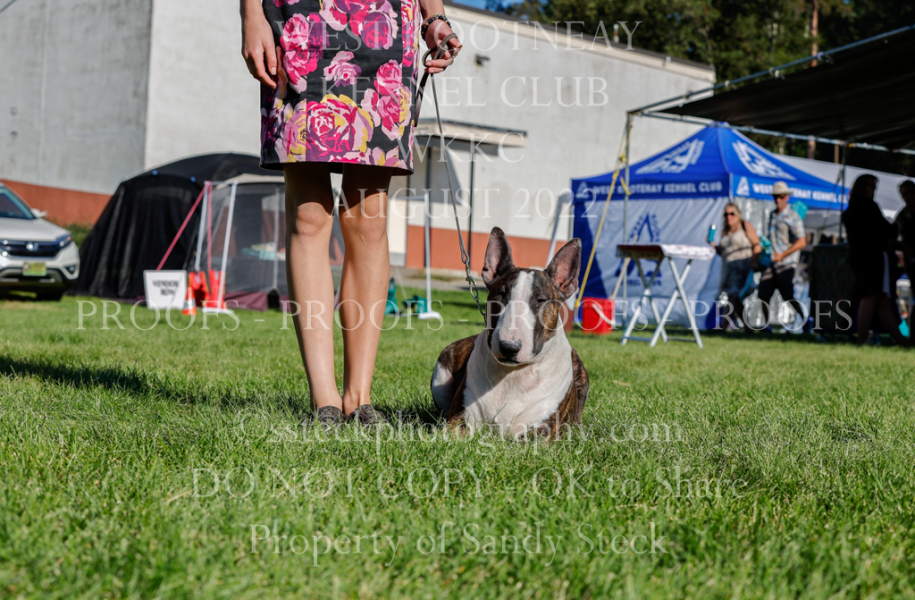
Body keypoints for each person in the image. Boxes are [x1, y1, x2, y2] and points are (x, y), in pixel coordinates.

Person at [240, 0, 461, 427]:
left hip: (385, 22)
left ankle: (359, 398)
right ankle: (323, 400)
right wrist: (251, 15)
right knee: (308, 216)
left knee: (369, 222)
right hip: (300, 19)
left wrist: (433, 18)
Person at [843, 175, 907, 346]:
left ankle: (900, 339)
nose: (874, 190)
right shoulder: (868, 207)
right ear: (863, 188)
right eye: (871, 186)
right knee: (871, 297)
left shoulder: (851, 209)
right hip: (873, 259)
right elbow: (885, 230)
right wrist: (897, 225)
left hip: (859, 258)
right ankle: (862, 339)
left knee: (881, 300)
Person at [757, 181, 807, 330]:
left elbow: (802, 241)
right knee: (763, 293)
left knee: (787, 296)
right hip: (770, 261)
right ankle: (767, 327)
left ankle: (805, 321)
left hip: (786, 264)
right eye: (776, 197)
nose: (778, 200)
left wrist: (783, 255)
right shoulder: (773, 214)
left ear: (787, 197)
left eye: (781, 196)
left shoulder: (792, 216)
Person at [710, 202, 760, 330]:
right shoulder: (725, 230)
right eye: (726, 214)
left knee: (733, 297)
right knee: (732, 298)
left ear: (738, 214)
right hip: (728, 271)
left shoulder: (744, 226)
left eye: (732, 213)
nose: (729, 217)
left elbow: (756, 244)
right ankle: (747, 328)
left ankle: (724, 326)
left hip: (742, 268)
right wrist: (713, 246)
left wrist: (754, 262)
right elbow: (723, 253)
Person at [894, 180, 915, 335]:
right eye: (904, 194)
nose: (908, 197)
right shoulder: (902, 216)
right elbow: (894, 238)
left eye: (911, 193)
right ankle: (912, 337)